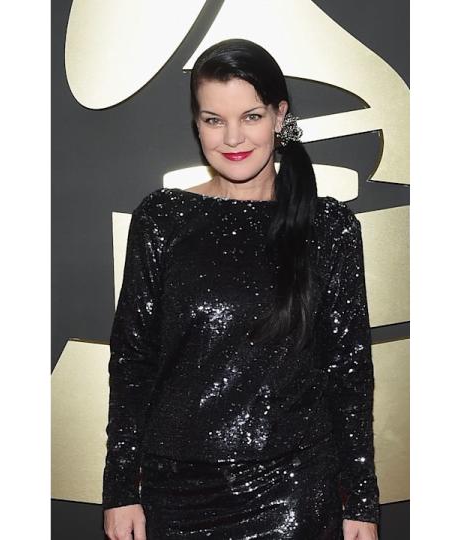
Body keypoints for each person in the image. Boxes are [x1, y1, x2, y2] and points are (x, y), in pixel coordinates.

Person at [102, 38, 379, 540]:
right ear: (197, 124)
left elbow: (348, 371)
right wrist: (121, 489)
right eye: (213, 119)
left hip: (294, 488)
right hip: (177, 491)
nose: (232, 137)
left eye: (250, 116)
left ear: (279, 116)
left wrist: (360, 501)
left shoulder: (330, 227)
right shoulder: (163, 219)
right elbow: (132, 362)